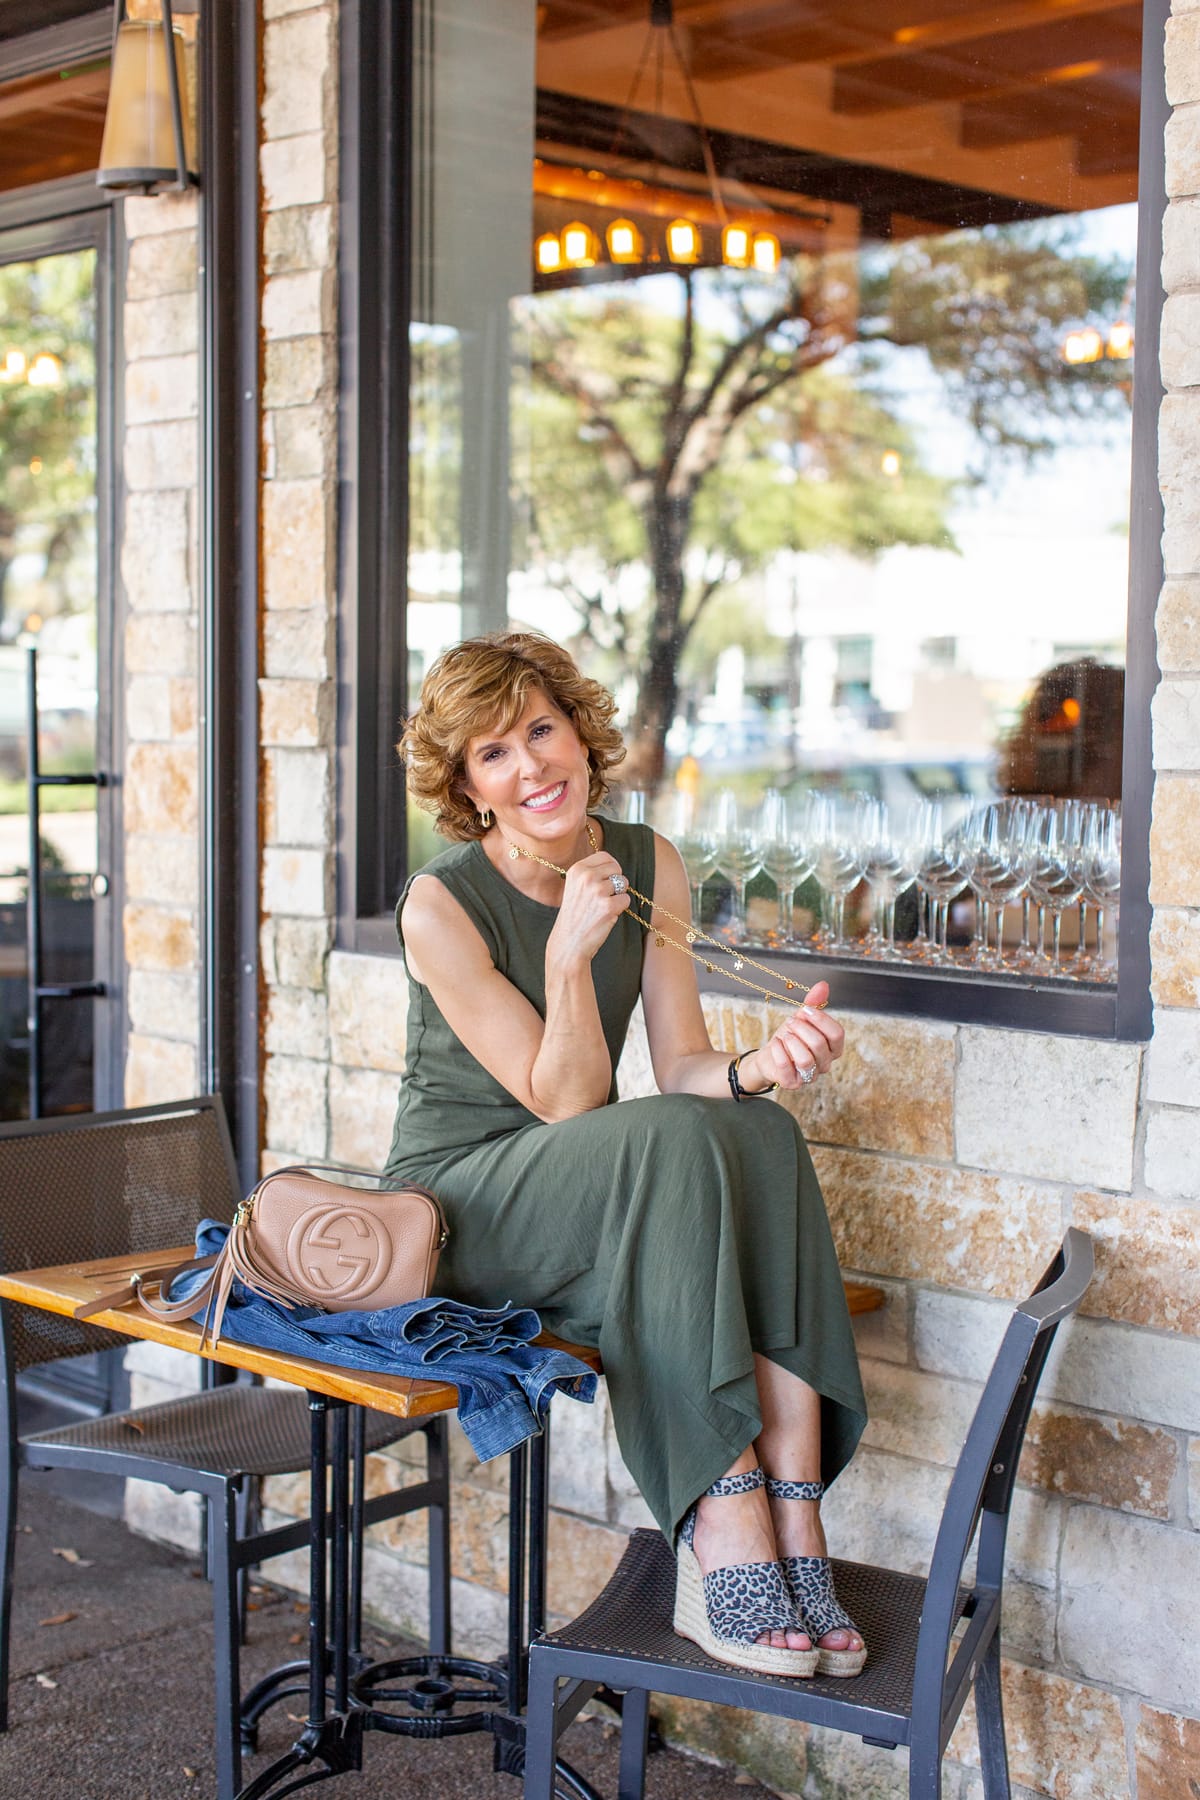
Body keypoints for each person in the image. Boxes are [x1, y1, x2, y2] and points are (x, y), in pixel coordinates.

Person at [384, 631, 868, 1679]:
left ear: (580, 733)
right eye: (494, 755)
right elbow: (569, 1103)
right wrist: (567, 959)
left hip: (602, 1182)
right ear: (468, 787)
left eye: (541, 731)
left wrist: (759, 1067)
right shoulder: (441, 904)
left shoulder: (647, 862)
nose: (532, 768)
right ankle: (717, 1512)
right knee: (662, 1136)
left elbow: (685, 1062)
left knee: (757, 1131)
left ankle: (796, 1504)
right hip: (467, 1202)